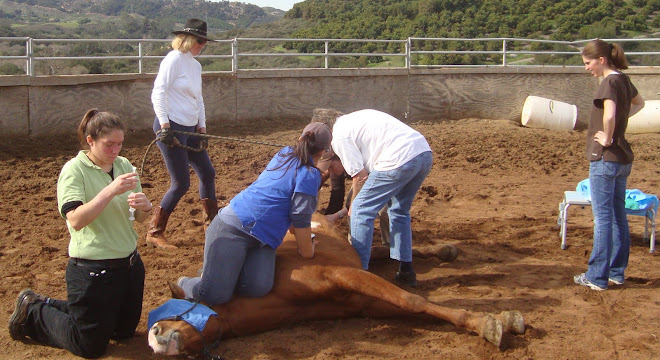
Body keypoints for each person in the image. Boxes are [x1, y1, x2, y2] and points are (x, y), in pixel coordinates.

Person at [8, 109, 152, 358]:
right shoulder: (74, 170)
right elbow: (75, 220)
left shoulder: (124, 165)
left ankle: (78, 311)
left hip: (129, 266)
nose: (115, 150)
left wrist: (146, 206)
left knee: (123, 331)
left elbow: (138, 218)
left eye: (120, 144)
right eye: (109, 145)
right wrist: (110, 190)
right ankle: (33, 310)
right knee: (90, 346)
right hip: (94, 270)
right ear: (90, 140)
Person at [177, 122, 332, 305]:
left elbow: (283, 197)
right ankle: (184, 283)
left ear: (300, 139)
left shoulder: (284, 153)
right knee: (214, 295)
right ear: (323, 151)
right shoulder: (310, 174)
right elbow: (300, 217)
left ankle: (221, 274)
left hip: (262, 238)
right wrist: (308, 252)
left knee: (256, 288)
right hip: (233, 227)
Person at [312, 108, 432, 287]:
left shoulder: (339, 136)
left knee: (361, 211)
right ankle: (406, 270)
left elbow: (360, 177)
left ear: (325, 128)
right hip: (423, 153)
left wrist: (353, 207)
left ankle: (359, 272)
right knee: (399, 210)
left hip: (397, 158)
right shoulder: (358, 117)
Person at [573, 39, 645, 291]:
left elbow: (611, 114)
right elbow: (640, 103)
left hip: (605, 158)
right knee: (617, 217)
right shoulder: (623, 80)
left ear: (601, 60)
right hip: (622, 158)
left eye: (588, 63)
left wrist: (608, 136)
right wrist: (617, 129)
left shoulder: (609, 82)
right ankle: (616, 272)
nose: (586, 67)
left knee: (603, 219)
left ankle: (597, 276)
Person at [148, 18, 218, 249]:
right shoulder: (174, 59)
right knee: (181, 183)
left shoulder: (195, 66)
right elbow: (158, 93)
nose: (202, 45)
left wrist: (202, 128)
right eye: (200, 40)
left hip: (191, 128)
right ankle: (155, 232)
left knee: (207, 172)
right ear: (187, 39)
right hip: (172, 129)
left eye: (204, 41)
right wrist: (165, 127)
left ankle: (212, 223)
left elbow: (198, 99)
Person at [320, 152, 390, 246]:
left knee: (384, 211)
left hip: (383, 173)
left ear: (341, 160)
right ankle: (353, 243)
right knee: (353, 208)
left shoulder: (358, 165)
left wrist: (336, 215)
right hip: (364, 177)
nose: (330, 171)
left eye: (331, 167)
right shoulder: (337, 168)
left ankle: (390, 245)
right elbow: (339, 197)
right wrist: (330, 217)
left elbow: (358, 200)